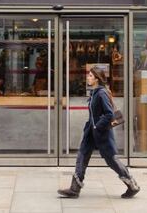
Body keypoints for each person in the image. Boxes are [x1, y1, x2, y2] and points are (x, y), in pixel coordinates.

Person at [57, 66, 140, 199]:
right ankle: (74, 188)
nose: (88, 77)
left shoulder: (101, 93)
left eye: (90, 75)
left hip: (102, 132)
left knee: (111, 159)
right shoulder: (95, 92)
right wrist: (92, 127)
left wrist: (97, 127)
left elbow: (108, 114)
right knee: (82, 156)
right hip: (91, 132)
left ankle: (132, 185)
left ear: (96, 78)